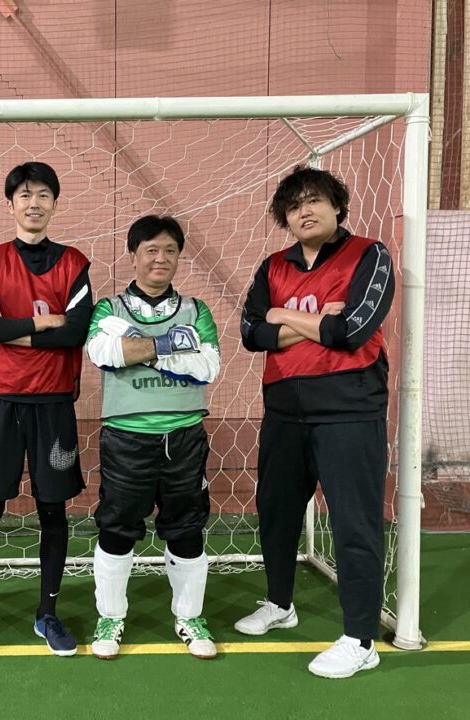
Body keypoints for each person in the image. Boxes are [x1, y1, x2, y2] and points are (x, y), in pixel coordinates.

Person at [237, 166, 395, 679]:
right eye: (293, 205)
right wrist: (315, 321)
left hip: (349, 410)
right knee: (276, 513)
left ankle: (361, 639)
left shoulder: (370, 255)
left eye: (314, 201)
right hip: (284, 410)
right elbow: (251, 333)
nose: (304, 211)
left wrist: (283, 316)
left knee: (354, 522)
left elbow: (351, 331)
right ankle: (280, 604)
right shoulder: (273, 266)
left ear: (337, 207)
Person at [0, 161, 93, 657]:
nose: (34, 203)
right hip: (1, 402)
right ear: (10, 204)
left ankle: (47, 614)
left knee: (53, 510)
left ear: (55, 203)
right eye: (25, 195)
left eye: (43, 195)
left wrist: (15, 328)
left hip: (53, 405)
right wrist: (46, 323)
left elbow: (78, 332)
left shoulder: (74, 263)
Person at [85, 215, 221, 660]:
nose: (160, 258)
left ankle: (189, 617)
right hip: (127, 437)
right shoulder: (108, 309)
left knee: (186, 527)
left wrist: (140, 349)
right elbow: (104, 353)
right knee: (117, 527)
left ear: (179, 257)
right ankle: (111, 616)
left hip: (184, 436)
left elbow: (207, 367)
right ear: (134, 256)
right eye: (151, 250)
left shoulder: (197, 310)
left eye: (170, 251)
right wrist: (172, 346)